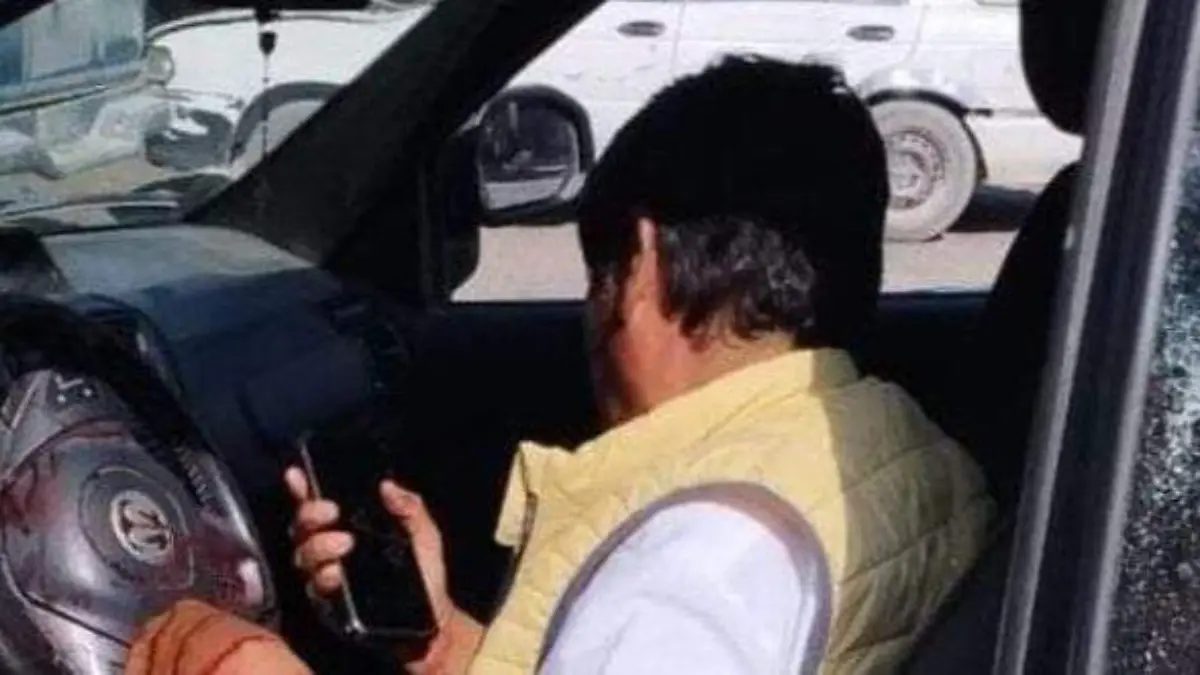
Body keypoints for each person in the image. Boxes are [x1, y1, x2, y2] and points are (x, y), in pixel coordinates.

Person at [128, 56, 995, 674]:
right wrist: (447, 644)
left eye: (596, 276)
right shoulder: (899, 452)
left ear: (640, 263)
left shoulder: (694, 563)